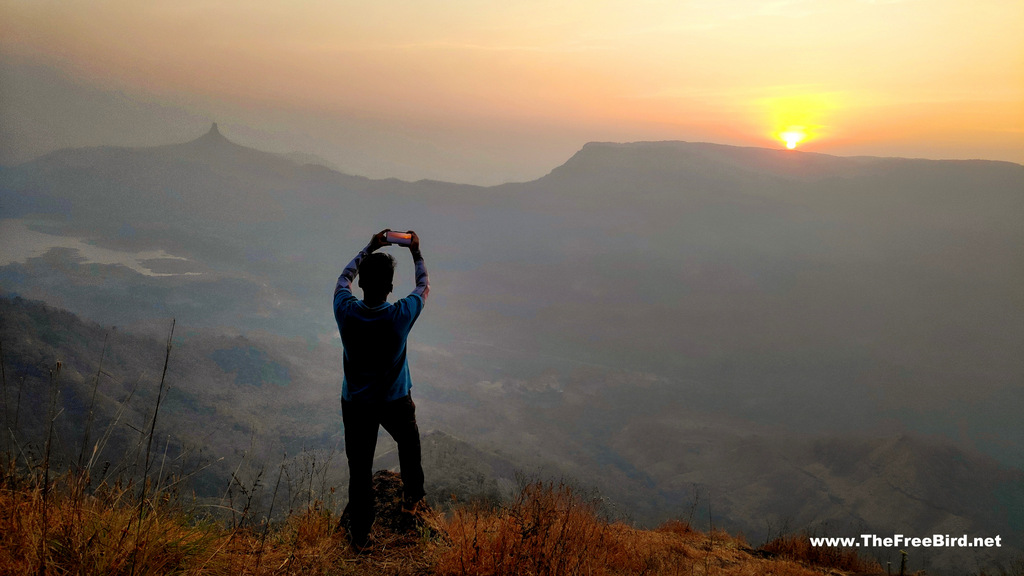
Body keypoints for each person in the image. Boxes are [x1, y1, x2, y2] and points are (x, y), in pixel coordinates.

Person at [333, 229, 429, 550]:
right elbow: (423, 286)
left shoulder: (345, 310)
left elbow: (343, 277)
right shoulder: (400, 316)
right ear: (390, 287)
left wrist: (370, 246)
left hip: (357, 403)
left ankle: (360, 536)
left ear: (362, 283)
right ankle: (411, 500)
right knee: (409, 443)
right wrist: (415, 252)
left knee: (359, 469)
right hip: (395, 400)